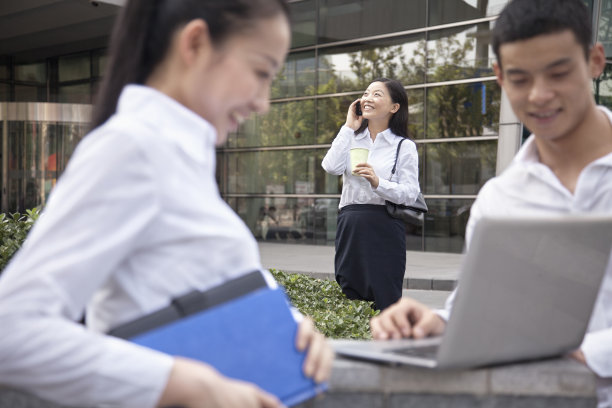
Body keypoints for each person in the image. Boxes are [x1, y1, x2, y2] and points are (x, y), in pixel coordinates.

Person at [0, 1, 333, 408]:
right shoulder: (133, 149)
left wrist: (294, 329)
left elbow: (197, 286)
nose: (263, 102)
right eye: (261, 72)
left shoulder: (176, 157)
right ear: (194, 43)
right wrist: (183, 383)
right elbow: (11, 329)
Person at [370, 0, 612, 405]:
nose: (539, 95)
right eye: (519, 78)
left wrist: (588, 355)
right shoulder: (500, 199)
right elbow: (485, 313)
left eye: (558, 73)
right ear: (499, 76)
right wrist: (440, 324)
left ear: (594, 60)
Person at [321, 78, 421, 310]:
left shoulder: (403, 146)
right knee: (349, 296)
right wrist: (348, 127)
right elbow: (330, 166)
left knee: (385, 298)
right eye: (366, 93)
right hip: (350, 224)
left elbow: (410, 193)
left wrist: (378, 182)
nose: (367, 98)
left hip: (384, 226)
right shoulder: (351, 138)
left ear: (394, 107)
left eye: (377, 94)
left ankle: (385, 345)